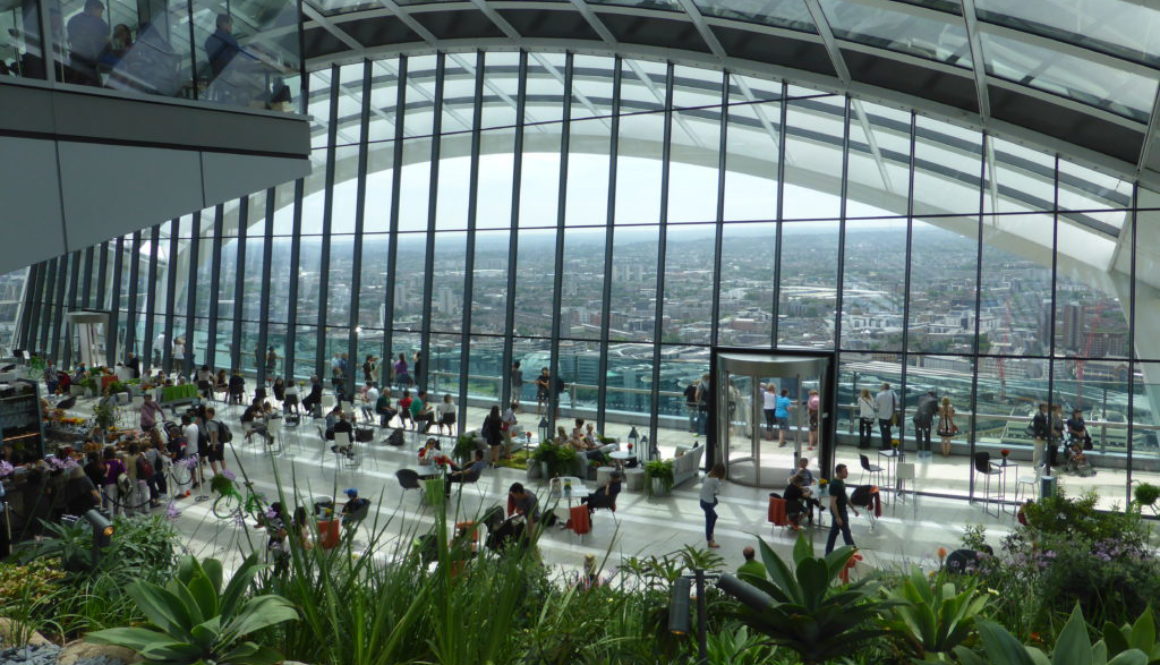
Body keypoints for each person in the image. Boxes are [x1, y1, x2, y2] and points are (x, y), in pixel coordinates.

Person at [67, 0, 108, 85]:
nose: (101, 15)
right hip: (88, 59)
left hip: (77, 58)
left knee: (77, 84)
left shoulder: (73, 20)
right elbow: (103, 37)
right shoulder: (97, 22)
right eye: (100, 11)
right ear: (93, 9)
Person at [825, 463, 858, 555]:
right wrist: (837, 517)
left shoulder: (841, 482)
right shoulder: (835, 484)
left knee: (834, 532)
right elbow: (833, 503)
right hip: (839, 511)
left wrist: (853, 509)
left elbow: (844, 496)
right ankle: (853, 551)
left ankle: (828, 553)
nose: (847, 473)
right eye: (845, 471)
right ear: (838, 472)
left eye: (847, 471)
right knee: (846, 532)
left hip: (841, 509)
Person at [699, 463, 725, 549]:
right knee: (711, 519)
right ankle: (710, 541)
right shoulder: (716, 480)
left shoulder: (708, 474)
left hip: (702, 500)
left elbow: (701, 480)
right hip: (708, 503)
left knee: (713, 515)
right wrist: (713, 491)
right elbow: (718, 491)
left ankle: (711, 538)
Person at [913, 390, 938, 456]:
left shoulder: (921, 398)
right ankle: (927, 451)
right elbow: (936, 409)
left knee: (919, 436)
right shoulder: (934, 400)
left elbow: (920, 407)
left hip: (917, 419)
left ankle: (919, 450)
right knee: (927, 436)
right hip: (926, 420)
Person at [204, 406, 227, 475]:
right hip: (221, 442)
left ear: (210, 414)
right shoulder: (218, 420)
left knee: (211, 459)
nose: (206, 415)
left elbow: (215, 434)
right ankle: (226, 473)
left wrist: (213, 445)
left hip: (215, 443)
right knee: (221, 458)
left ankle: (216, 474)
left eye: (207, 413)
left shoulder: (210, 423)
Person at [875, 383, 897, 450]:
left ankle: (885, 447)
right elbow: (897, 403)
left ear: (883, 387)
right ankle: (890, 446)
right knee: (888, 431)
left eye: (881, 386)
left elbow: (876, 406)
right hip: (891, 416)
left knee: (884, 432)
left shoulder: (879, 395)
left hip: (882, 416)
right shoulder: (893, 394)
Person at [1030, 402, 1050, 472]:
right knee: (1038, 451)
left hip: (1042, 436)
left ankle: (1039, 464)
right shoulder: (1038, 415)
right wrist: (1037, 435)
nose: (1047, 408)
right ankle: (1036, 465)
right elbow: (1037, 426)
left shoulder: (1042, 415)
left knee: (1041, 451)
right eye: (1046, 407)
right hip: (1039, 436)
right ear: (1042, 408)